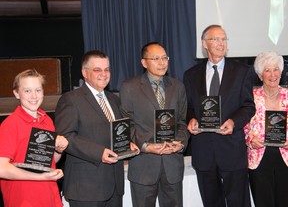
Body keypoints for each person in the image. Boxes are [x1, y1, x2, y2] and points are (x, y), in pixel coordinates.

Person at [54, 50, 139, 207]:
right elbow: (66, 137)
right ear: (84, 72)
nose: (104, 74)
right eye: (97, 70)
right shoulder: (70, 100)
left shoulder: (114, 99)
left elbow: (117, 131)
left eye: (107, 69)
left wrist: (128, 143)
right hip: (86, 188)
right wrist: (99, 152)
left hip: (114, 187)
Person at [183, 24, 256, 207]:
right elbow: (189, 107)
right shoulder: (191, 75)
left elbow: (248, 106)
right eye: (216, 39)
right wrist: (191, 118)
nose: (221, 43)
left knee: (238, 202)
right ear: (204, 43)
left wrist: (233, 122)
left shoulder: (242, 71)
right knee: (211, 202)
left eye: (224, 39)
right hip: (204, 151)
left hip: (232, 149)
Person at [120, 42, 189, 207]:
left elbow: (181, 121)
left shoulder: (177, 86)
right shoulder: (129, 87)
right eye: (156, 58)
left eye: (165, 58)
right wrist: (145, 146)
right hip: (144, 164)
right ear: (144, 62)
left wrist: (179, 144)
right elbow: (126, 124)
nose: (162, 62)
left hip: (172, 164)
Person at [0, 69, 68, 207]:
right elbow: (2, 168)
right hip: (24, 200)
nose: (34, 96)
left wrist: (58, 150)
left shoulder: (47, 120)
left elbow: (49, 160)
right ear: (16, 93)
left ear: (43, 92)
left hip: (50, 196)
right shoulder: (10, 124)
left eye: (38, 90)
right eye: (27, 91)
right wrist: (40, 177)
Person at [244, 51, 288, 207]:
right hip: (259, 158)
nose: (272, 74)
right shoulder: (250, 97)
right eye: (267, 70)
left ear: (281, 73)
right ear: (260, 75)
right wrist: (250, 139)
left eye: (276, 69)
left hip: (285, 158)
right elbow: (242, 126)